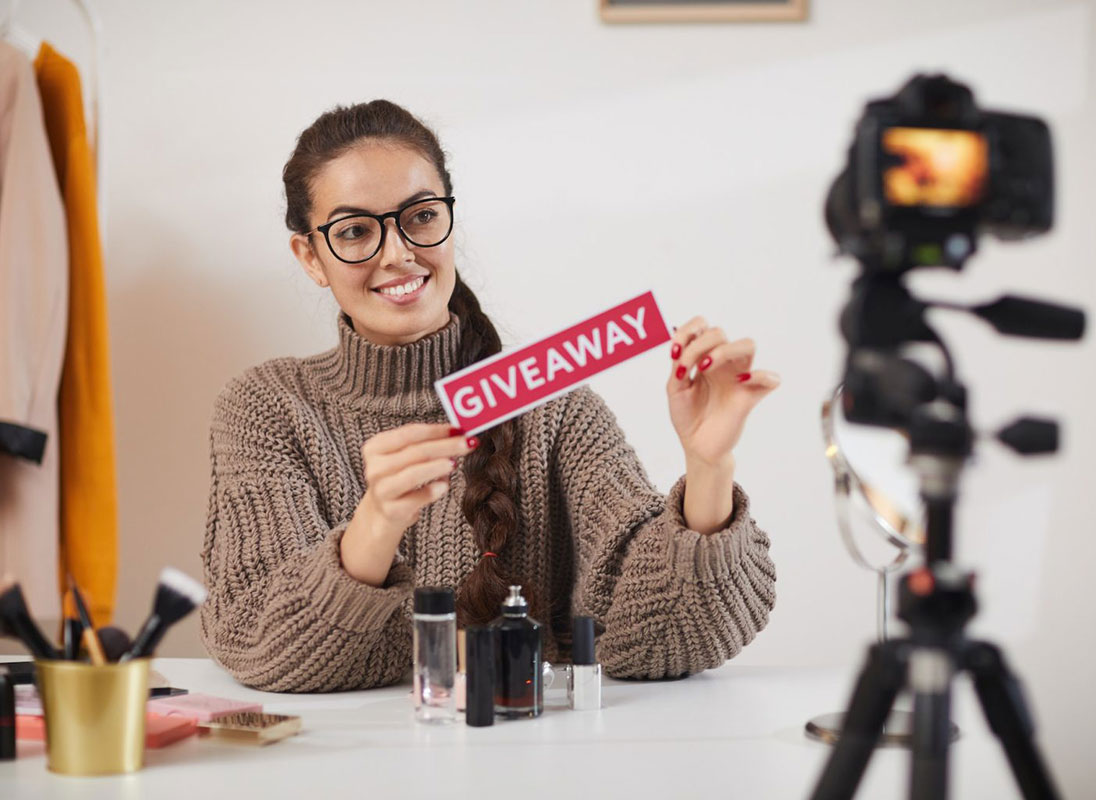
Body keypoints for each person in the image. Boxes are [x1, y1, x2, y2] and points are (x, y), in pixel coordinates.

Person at [199, 100, 781, 692]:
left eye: (421, 216)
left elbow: (664, 638)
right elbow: (261, 645)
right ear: (311, 257)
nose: (397, 253)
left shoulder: (555, 408)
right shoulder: (267, 407)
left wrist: (708, 469)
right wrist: (376, 525)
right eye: (354, 231)